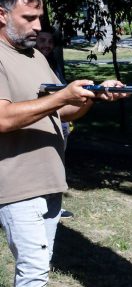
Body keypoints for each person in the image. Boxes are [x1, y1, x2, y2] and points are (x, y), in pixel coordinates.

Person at [0, 0, 127, 287]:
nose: (38, 26)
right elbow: (2, 118)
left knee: (39, 267)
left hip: (50, 181)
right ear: (1, 15)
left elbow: (65, 111)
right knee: (34, 272)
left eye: (39, 17)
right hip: (16, 187)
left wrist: (93, 96)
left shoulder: (34, 56)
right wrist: (62, 96)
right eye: (29, 17)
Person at [36, 28, 76, 219]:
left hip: (61, 121)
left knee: (57, 165)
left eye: (50, 42)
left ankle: (53, 207)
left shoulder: (51, 62)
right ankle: (41, 207)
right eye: (42, 40)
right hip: (42, 121)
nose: (47, 45)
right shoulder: (31, 62)